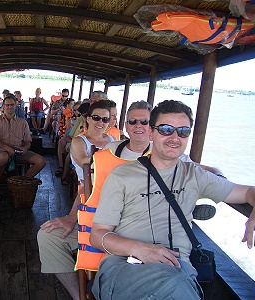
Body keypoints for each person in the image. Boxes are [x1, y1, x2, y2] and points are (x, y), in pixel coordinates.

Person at [37, 100, 223, 299]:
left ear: (153, 127)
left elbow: (202, 174)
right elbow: (88, 187)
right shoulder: (109, 151)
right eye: (133, 121)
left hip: (147, 228)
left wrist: (217, 176)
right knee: (48, 237)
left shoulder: (169, 153)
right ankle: (78, 296)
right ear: (125, 124)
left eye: (144, 122)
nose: (138, 126)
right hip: (104, 224)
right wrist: (72, 216)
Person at [90, 100, 255, 299]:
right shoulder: (122, 176)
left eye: (183, 131)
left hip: (177, 267)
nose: (175, 137)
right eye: (166, 129)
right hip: (125, 265)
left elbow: (247, 192)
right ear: (151, 133)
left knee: (175, 284)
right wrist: (140, 249)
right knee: (177, 288)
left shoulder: (194, 175)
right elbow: (97, 235)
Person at [0, 94, 46, 200]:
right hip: (0, 148)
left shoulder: (22, 122)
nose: (10, 107)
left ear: (16, 106)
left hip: (18, 149)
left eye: (12, 105)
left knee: (41, 161)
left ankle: (22, 181)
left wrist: (25, 148)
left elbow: (28, 141)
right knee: (3, 157)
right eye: (7, 105)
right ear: (3, 107)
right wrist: (7, 148)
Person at [70, 100, 116, 187]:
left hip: (113, 186)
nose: (100, 122)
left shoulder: (113, 139)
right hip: (90, 189)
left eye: (105, 119)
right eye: (96, 117)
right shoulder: (79, 141)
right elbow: (83, 162)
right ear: (88, 119)